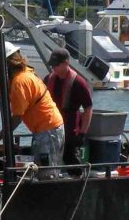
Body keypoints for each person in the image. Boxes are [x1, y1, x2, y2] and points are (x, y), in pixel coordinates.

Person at [0, 42, 65, 179]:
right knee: (44, 171)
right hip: (47, 128)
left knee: (47, 174)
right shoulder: (21, 74)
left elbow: (17, 118)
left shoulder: (20, 82)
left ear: (6, 63)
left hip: (48, 130)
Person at [43, 48, 93, 176]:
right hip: (51, 130)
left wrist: (82, 133)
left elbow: (88, 107)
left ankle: (78, 184)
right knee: (48, 162)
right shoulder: (48, 79)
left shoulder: (78, 82)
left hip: (70, 132)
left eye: (56, 65)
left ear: (66, 63)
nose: (54, 68)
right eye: (52, 65)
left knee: (72, 161)